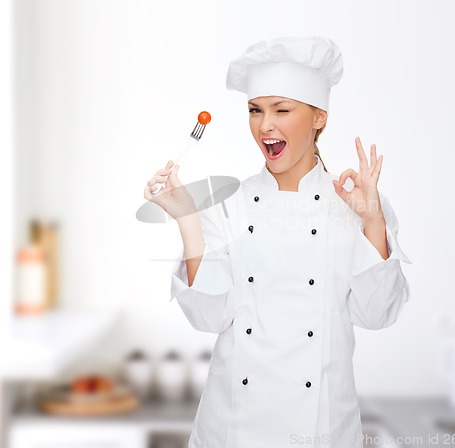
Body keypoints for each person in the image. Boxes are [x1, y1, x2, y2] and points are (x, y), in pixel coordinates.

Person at [144, 36, 413, 448]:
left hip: (323, 431)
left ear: (319, 117)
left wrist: (372, 220)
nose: (265, 125)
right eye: (255, 110)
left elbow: (376, 314)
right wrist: (187, 220)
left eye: (281, 110)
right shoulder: (228, 204)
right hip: (232, 429)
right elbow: (208, 317)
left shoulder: (357, 204)